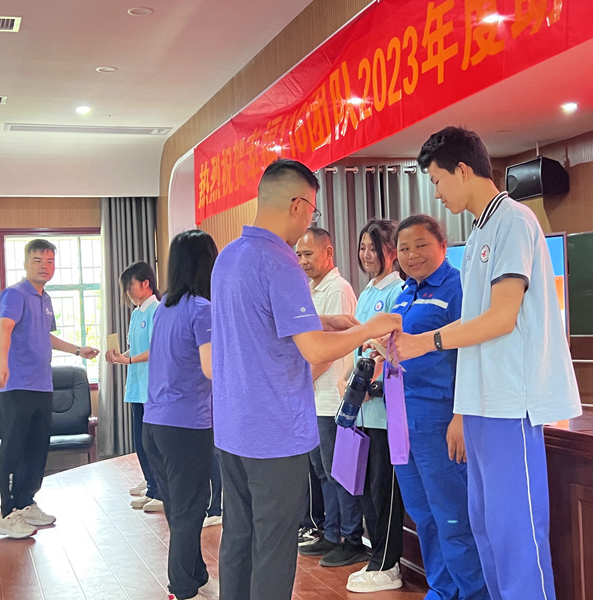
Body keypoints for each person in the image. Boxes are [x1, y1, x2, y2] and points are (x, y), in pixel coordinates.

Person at [394, 126, 582, 600]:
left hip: (510, 402)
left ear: (462, 170)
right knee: (486, 531)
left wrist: (425, 342)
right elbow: (478, 322)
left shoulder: (513, 221)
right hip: (480, 403)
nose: (437, 193)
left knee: (516, 536)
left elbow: (501, 317)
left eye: (437, 181)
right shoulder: (479, 229)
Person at [210, 157, 402, 600]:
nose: (309, 222)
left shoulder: (229, 257)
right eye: (312, 211)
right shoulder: (280, 261)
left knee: (239, 536)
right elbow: (315, 351)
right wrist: (369, 329)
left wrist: (323, 320)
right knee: (274, 546)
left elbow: (256, 324)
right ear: (297, 205)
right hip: (273, 430)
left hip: (233, 425)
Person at [389, 215, 488, 599]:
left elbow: (473, 353)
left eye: (420, 245)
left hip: (439, 416)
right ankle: (443, 590)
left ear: (443, 246)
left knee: (453, 516)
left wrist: (461, 414)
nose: (412, 255)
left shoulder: (459, 287)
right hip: (401, 417)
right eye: (403, 248)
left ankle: (473, 593)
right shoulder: (403, 293)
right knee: (423, 513)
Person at [0, 239, 99, 539]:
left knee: (37, 448)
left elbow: (45, 336)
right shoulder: (15, 294)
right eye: (38, 260)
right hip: (17, 386)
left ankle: (26, 502)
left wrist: (77, 350)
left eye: (50, 261)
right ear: (26, 263)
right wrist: (1, 366)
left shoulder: (45, 298)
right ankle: (7, 513)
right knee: (15, 449)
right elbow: (4, 330)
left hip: (42, 385)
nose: (45, 266)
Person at [143, 230, 218, 600]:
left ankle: (195, 573)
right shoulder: (202, 309)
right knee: (190, 510)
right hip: (187, 425)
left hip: (154, 424)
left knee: (178, 508)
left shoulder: (164, 308)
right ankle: (182, 588)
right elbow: (211, 369)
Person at [295, 227, 369, 568]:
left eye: (308, 254)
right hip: (314, 397)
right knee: (323, 471)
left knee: (339, 471)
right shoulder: (312, 289)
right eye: (299, 255)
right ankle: (331, 532)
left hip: (331, 397)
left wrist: (301, 383)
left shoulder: (337, 289)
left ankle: (351, 538)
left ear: (329, 253)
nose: (302, 261)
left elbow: (332, 348)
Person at [340, 219, 407, 593]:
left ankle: (388, 563)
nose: (366, 254)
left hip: (383, 408)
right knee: (365, 488)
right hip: (361, 408)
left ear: (391, 251)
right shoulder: (367, 291)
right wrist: (349, 380)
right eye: (362, 247)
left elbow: (390, 347)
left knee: (384, 489)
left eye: (373, 248)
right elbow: (357, 344)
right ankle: (376, 557)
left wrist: (371, 384)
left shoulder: (397, 290)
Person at [105, 261, 164, 511]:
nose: (127, 292)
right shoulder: (137, 312)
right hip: (136, 386)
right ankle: (152, 484)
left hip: (151, 386)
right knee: (140, 441)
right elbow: (136, 348)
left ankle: (159, 491)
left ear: (146, 284)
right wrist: (120, 357)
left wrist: (128, 360)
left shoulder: (156, 310)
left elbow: (156, 350)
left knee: (152, 442)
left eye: (130, 286)